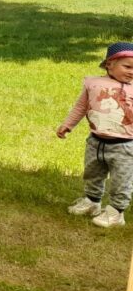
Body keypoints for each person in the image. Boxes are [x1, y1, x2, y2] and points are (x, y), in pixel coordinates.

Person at [57, 42, 133, 228]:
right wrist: (68, 125)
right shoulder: (94, 83)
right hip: (95, 142)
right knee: (92, 174)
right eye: (127, 66)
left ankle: (116, 212)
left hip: (124, 146)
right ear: (109, 64)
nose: (132, 71)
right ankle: (92, 202)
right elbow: (81, 107)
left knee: (121, 180)